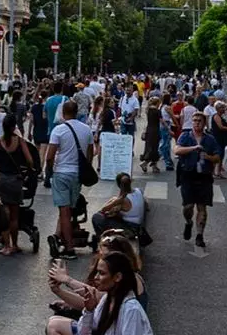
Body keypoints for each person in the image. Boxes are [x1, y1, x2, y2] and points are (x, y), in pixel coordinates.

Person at [47, 251, 152, 335]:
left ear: (117, 277)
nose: (96, 277)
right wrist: (89, 311)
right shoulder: (107, 299)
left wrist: (66, 280)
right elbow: (83, 332)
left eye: (101, 273)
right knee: (54, 323)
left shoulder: (131, 309)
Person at [47, 100, 92, 259]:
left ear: (63, 112)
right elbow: (89, 154)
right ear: (77, 111)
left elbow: (50, 156)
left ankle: (69, 248)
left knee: (64, 211)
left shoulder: (58, 130)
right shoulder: (86, 129)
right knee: (68, 210)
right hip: (77, 174)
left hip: (61, 173)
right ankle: (57, 236)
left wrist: (51, 171)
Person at [175, 109, 222, 248]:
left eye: (199, 121)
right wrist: (193, 148)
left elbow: (218, 156)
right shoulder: (185, 136)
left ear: (204, 123)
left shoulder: (210, 139)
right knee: (188, 206)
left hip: (204, 176)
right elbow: (177, 150)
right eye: (194, 121)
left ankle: (200, 235)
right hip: (188, 174)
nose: (196, 123)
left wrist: (208, 157)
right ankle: (188, 222)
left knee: (202, 207)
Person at [0, 113, 33, 256]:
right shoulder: (20, 141)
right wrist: (26, 171)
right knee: (14, 216)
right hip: (15, 181)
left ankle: (6, 246)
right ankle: (15, 244)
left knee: (4, 214)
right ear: (14, 126)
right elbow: (29, 160)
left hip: (1, 181)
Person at [89, 173, 142, 240]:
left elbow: (104, 209)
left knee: (96, 217)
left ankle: (100, 238)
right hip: (137, 223)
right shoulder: (138, 191)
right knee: (113, 205)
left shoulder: (122, 199)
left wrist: (116, 201)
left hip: (131, 228)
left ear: (119, 185)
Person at [138, 97, 162, 173]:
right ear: (157, 103)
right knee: (154, 148)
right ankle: (144, 163)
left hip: (149, 130)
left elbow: (147, 122)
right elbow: (162, 121)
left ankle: (154, 167)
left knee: (150, 147)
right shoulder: (157, 111)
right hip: (155, 131)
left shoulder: (148, 110)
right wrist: (168, 129)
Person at [210, 102, 227, 179]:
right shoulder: (216, 116)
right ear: (217, 109)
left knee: (221, 155)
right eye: (222, 108)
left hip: (222, 138)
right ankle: (213, 171)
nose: (223, 109)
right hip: (218, 138)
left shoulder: (222, 116)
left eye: (224, 107)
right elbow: (220, 127)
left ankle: (218, 172)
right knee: (217, 155)